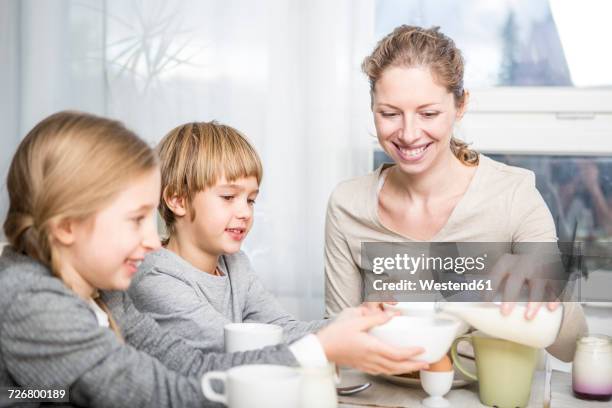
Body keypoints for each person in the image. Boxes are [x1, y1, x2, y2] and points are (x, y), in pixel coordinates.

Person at [0, 111, 426, 407]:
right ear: (67, 226)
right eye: (134, 220)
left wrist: (340, 331)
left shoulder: (107, 294)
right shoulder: (30, 302)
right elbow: (158, 397)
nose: (151, 240)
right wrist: (318, 350)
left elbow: (190, 366)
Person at [323, 25, 587, 362]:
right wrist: (364, 320)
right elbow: (337, 350)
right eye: (389, 114)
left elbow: (572, 349)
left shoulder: (513, 196)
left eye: (428, 113)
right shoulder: (348, 206)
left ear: (460, 105)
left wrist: (551, 281)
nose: (408, 133)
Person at [128, 121, 389, 353]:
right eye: (228, 197)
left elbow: (282, 328)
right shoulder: (156, 279)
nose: (244, 212)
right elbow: (231, 345)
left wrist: (357, 319)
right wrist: (333, 337)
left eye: (251, 200)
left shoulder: (236, 265)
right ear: (178, 200)